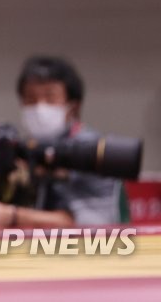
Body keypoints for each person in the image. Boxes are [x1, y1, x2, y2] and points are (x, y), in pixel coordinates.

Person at [15, 55, 128, 225]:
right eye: (31, 99)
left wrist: (11, 215)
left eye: (50, 98)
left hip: (97, 246)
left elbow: (73, 223)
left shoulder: (91, 148)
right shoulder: (28, 147)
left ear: (73, 106)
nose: (39, 107)